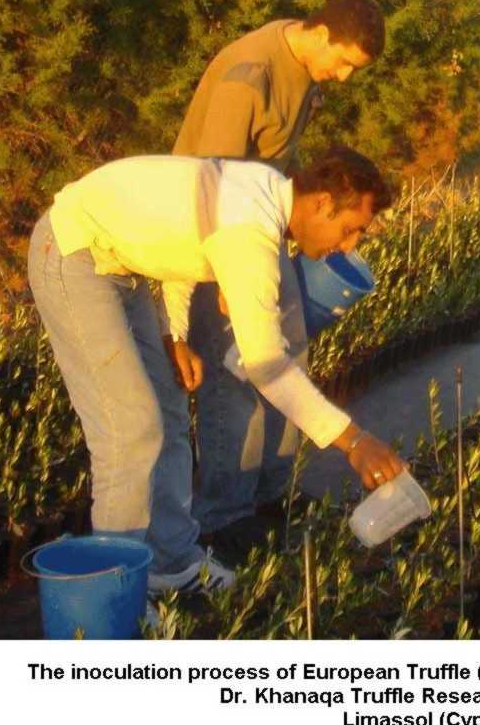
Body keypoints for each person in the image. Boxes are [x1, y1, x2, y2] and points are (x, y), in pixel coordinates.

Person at [27, 146, 405, 596]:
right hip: (72, 252)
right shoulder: (250, 231)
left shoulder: (264, 192)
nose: (349, 246)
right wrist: (354, 441)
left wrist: (175, 333)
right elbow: (266, 365)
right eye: (349, 230)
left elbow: (178, 238)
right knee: (129, 429)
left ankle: (171, 562)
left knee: (169, 411)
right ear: (322, 203)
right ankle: (116, 593)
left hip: (121, 266)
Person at [171, 0, 386, 544]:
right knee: (239, 369)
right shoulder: (250, 75)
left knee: (290, 350)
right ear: (321, 34)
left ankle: (270, 495)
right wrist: (227, 277)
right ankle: (224, 516)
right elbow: (209, 182)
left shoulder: (304, 72)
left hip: (261, 226)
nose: (343, 77)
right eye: (344, 63)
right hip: (216, 236)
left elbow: (278, 165)